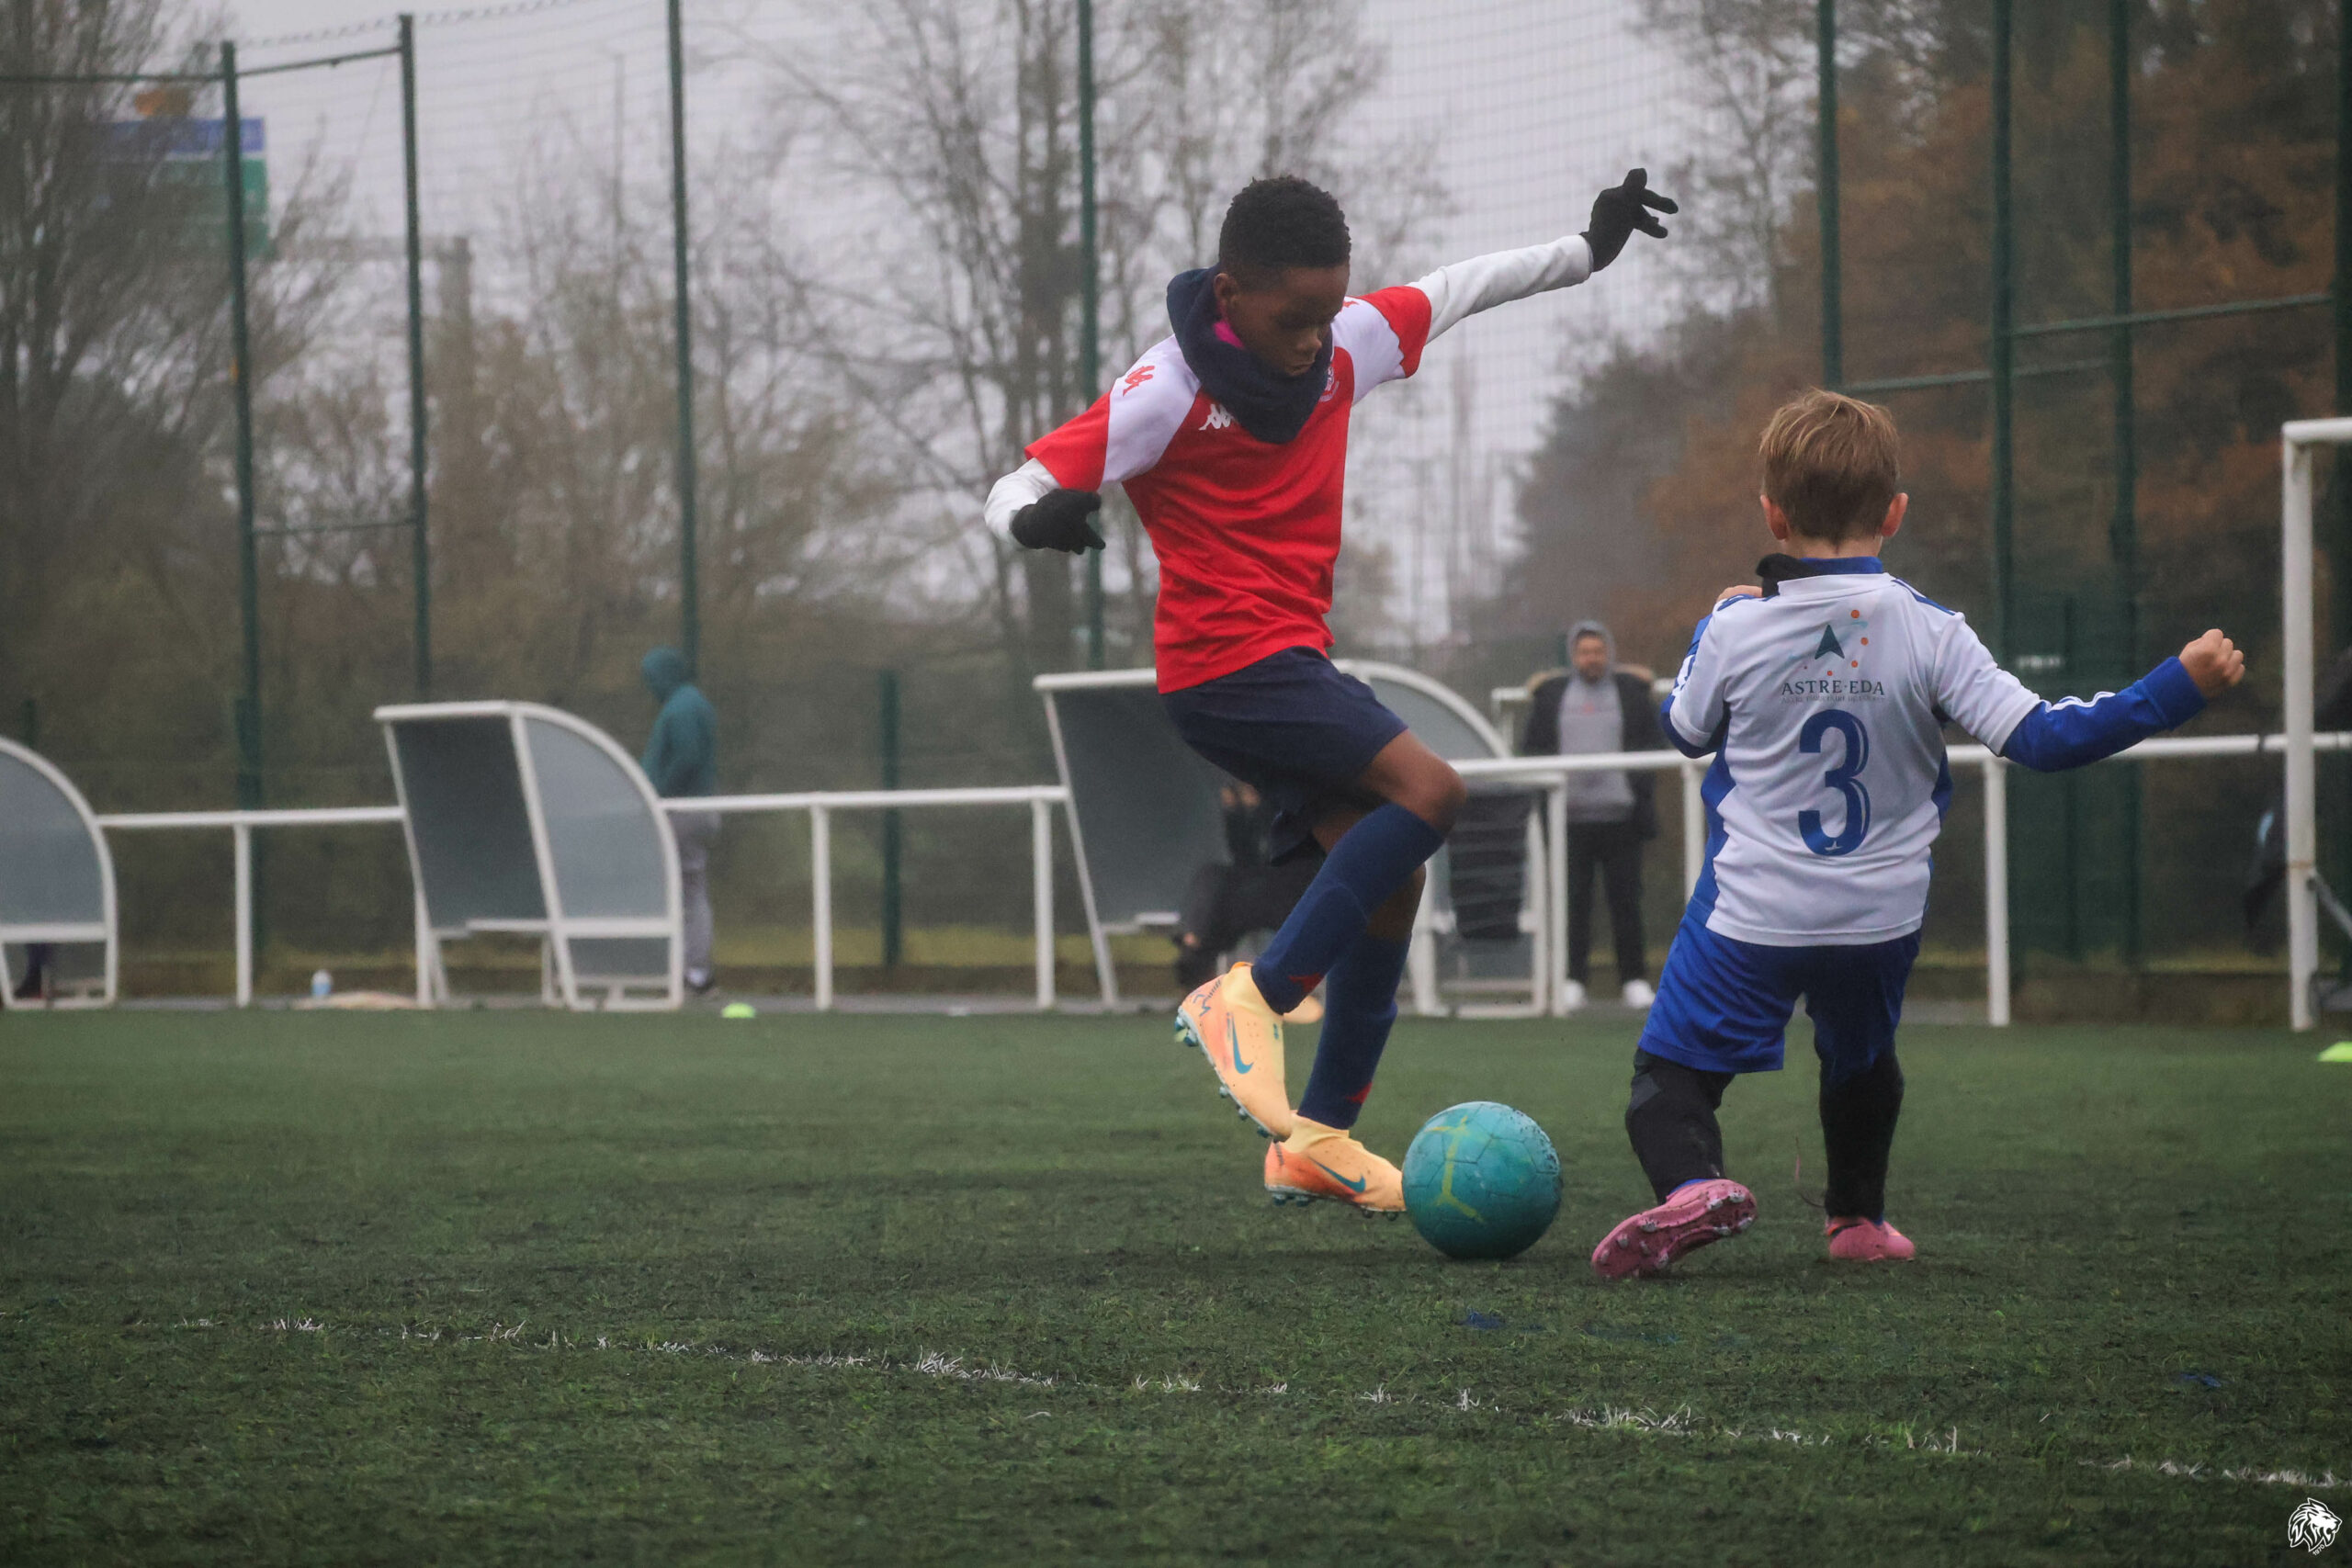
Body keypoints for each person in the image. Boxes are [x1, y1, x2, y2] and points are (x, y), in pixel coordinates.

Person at [987, 170, 1676, 1213]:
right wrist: (1031, 520)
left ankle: (1316, 1139)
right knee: (1434, 793)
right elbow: (1020, 481)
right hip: (1223, 665)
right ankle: (1248, 996)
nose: (1314, 339)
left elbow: (1458, 287)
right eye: (1292, 318)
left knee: (1393, 878)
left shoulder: (1348, 343)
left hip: (1287, 661)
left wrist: (1586, 251)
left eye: (1327, 312)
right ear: (1229, 296)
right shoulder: (1166, 389)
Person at [1591, 389, 2244, 1280]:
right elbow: (2044, 739)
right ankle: (1857, 1222)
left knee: (1666, 1079)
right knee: (1861, 1060)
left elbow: (1682, 729)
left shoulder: (1735, 627)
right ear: (1895, 513)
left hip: (1754, 912)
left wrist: (1710, 627)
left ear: (1772, 515)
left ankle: (1693, 1185)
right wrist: (2176, 685)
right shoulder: (1934, 631)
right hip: (1880, 916)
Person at [1520, 621, 1664, 1010]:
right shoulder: (1551, 695)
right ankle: (1573, 980)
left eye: (1598, 651)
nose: (1592, 659)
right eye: (1585, 652)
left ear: (1608, 653)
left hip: (1622, 818)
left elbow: (1654, 741)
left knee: (1626, 902)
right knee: (1574, 904)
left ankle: (1634, 980)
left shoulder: (1631, 692)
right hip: (1568, 821)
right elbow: (1532, 747)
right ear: (1574, 656)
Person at [1173, 781, 1320, 994]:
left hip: (1289, 892)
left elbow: (1280, 854)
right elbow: (1244, 858)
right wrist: (1235, 814)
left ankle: (1195, 942)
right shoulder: (1255, 815)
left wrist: (1258, 810)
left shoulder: (1285, 808)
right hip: (1260, 894)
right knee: (1213, 876)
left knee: (1220, 894)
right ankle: (1196, 943)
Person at [639, 648, 719, 996]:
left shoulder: (682, 707)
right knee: (690, 889)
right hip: (692, 809)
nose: (650, 686)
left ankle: (691, 971)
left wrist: (658, 794)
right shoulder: (690, 702)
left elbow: (687, 757)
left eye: (652, 678)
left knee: (684, 891)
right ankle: (693, 969)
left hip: (681, 811)